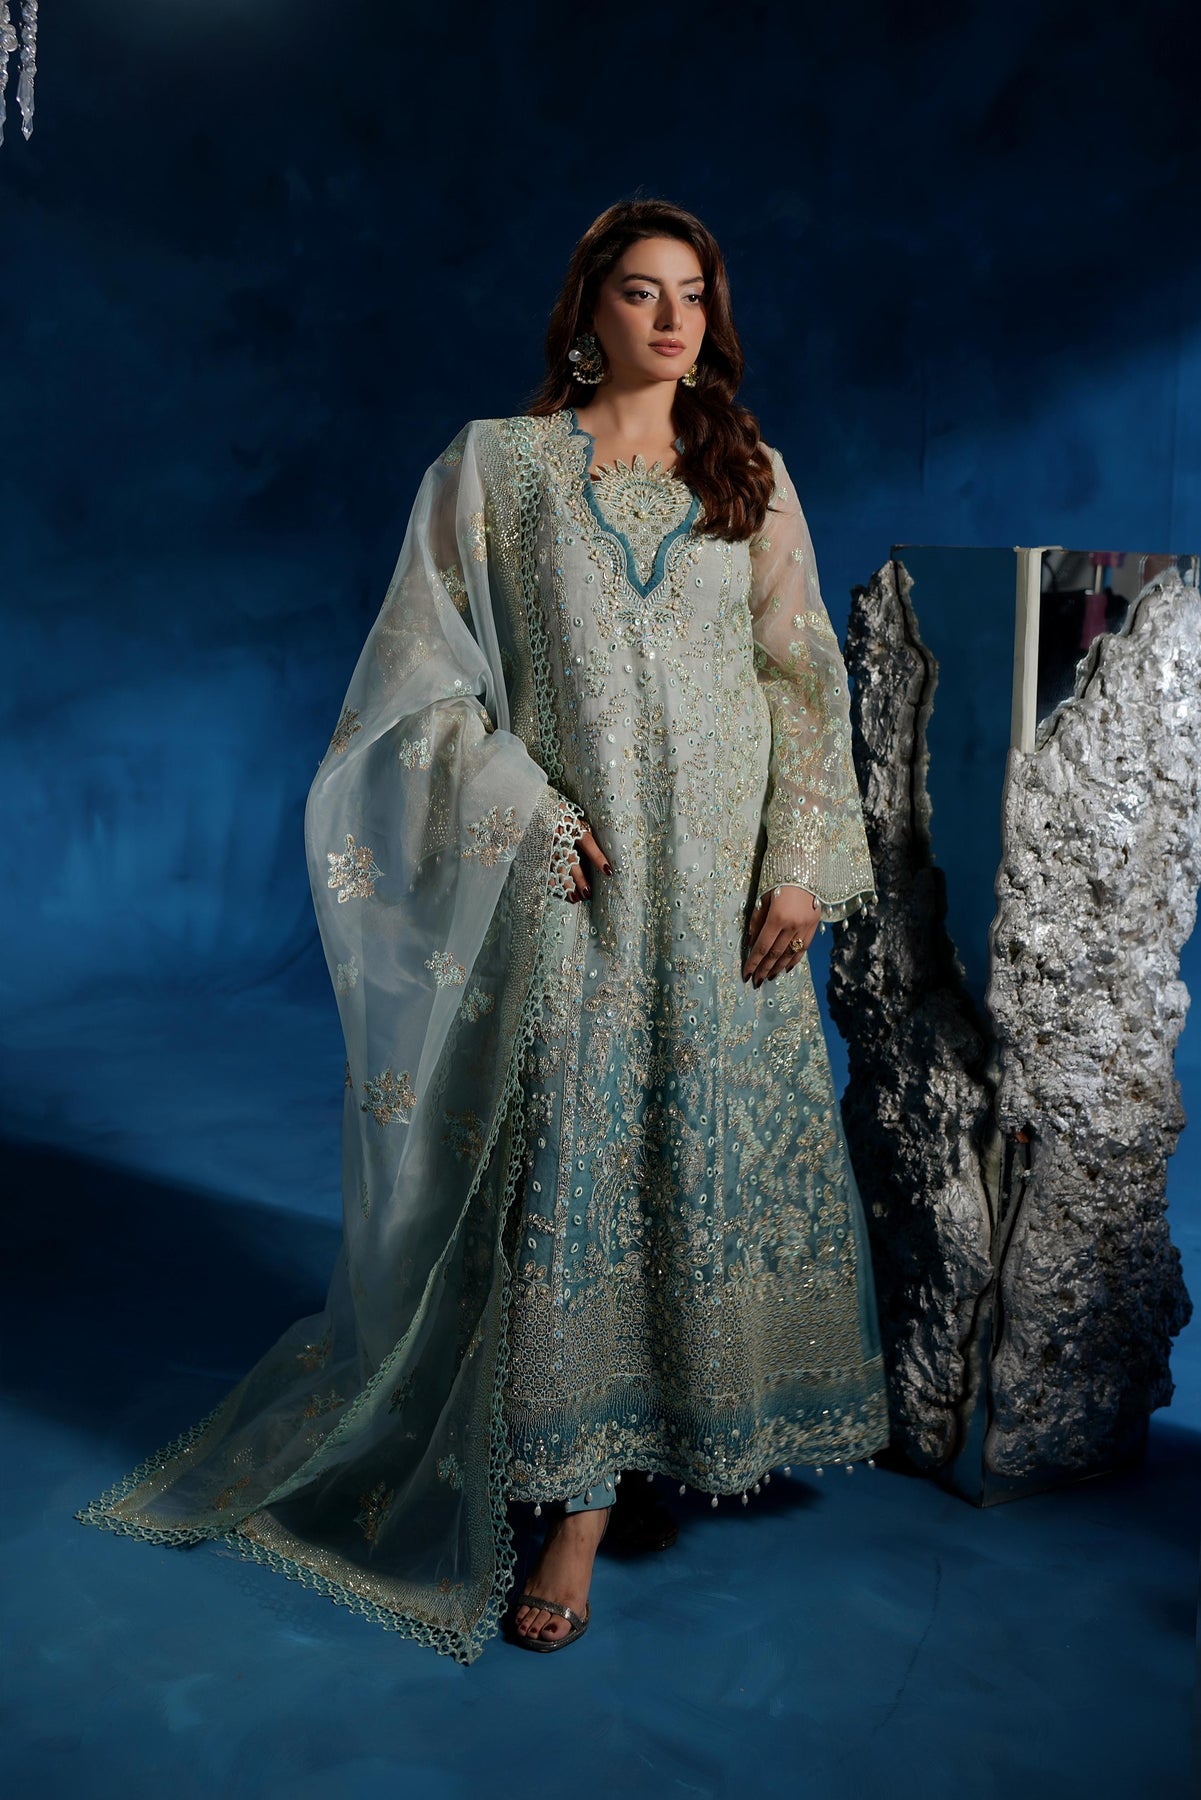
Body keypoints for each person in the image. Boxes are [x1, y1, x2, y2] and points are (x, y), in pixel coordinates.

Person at [74, 197, 889, 1663]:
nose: (670, 319)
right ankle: (575, 1499)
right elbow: (420, 690)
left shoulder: (751, 475)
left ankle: (684, 1428)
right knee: (576, 1159)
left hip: (723, 897)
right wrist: (526, 811)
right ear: (586, 312)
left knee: (701, 1140)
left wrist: (799, 869)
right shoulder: (498, 469)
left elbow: (800, 679)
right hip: (582, 886)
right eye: (638, 292)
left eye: (692, 293)